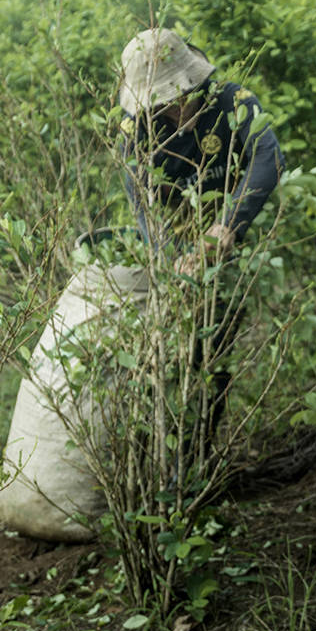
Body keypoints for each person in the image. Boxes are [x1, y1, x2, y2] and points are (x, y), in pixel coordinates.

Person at [117, 28, 284, 437]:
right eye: (163, 101)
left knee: (213, 351)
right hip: (172, 246)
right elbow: (143, 207)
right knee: (160, 356)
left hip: (224, 239)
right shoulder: (133, 131)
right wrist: (175, 257)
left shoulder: (233, 101)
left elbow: (268, 158)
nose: (175, 108)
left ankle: (201, 445)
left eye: (179, 97)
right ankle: (153, 444)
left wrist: (227, 226)